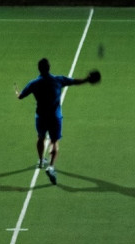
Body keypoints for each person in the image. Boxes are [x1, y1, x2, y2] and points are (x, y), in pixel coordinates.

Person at [17, 57, 91, 185]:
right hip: (55, 117)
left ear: (39, 69)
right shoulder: (58, 80)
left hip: (40, 117)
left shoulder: (34, 83)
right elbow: (74, 82)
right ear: (49, 67)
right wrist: (86, 79)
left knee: (40, 137)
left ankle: (40, 161)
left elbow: (21, 96)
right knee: (54, 141)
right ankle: (51, 166)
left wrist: (17, 92)